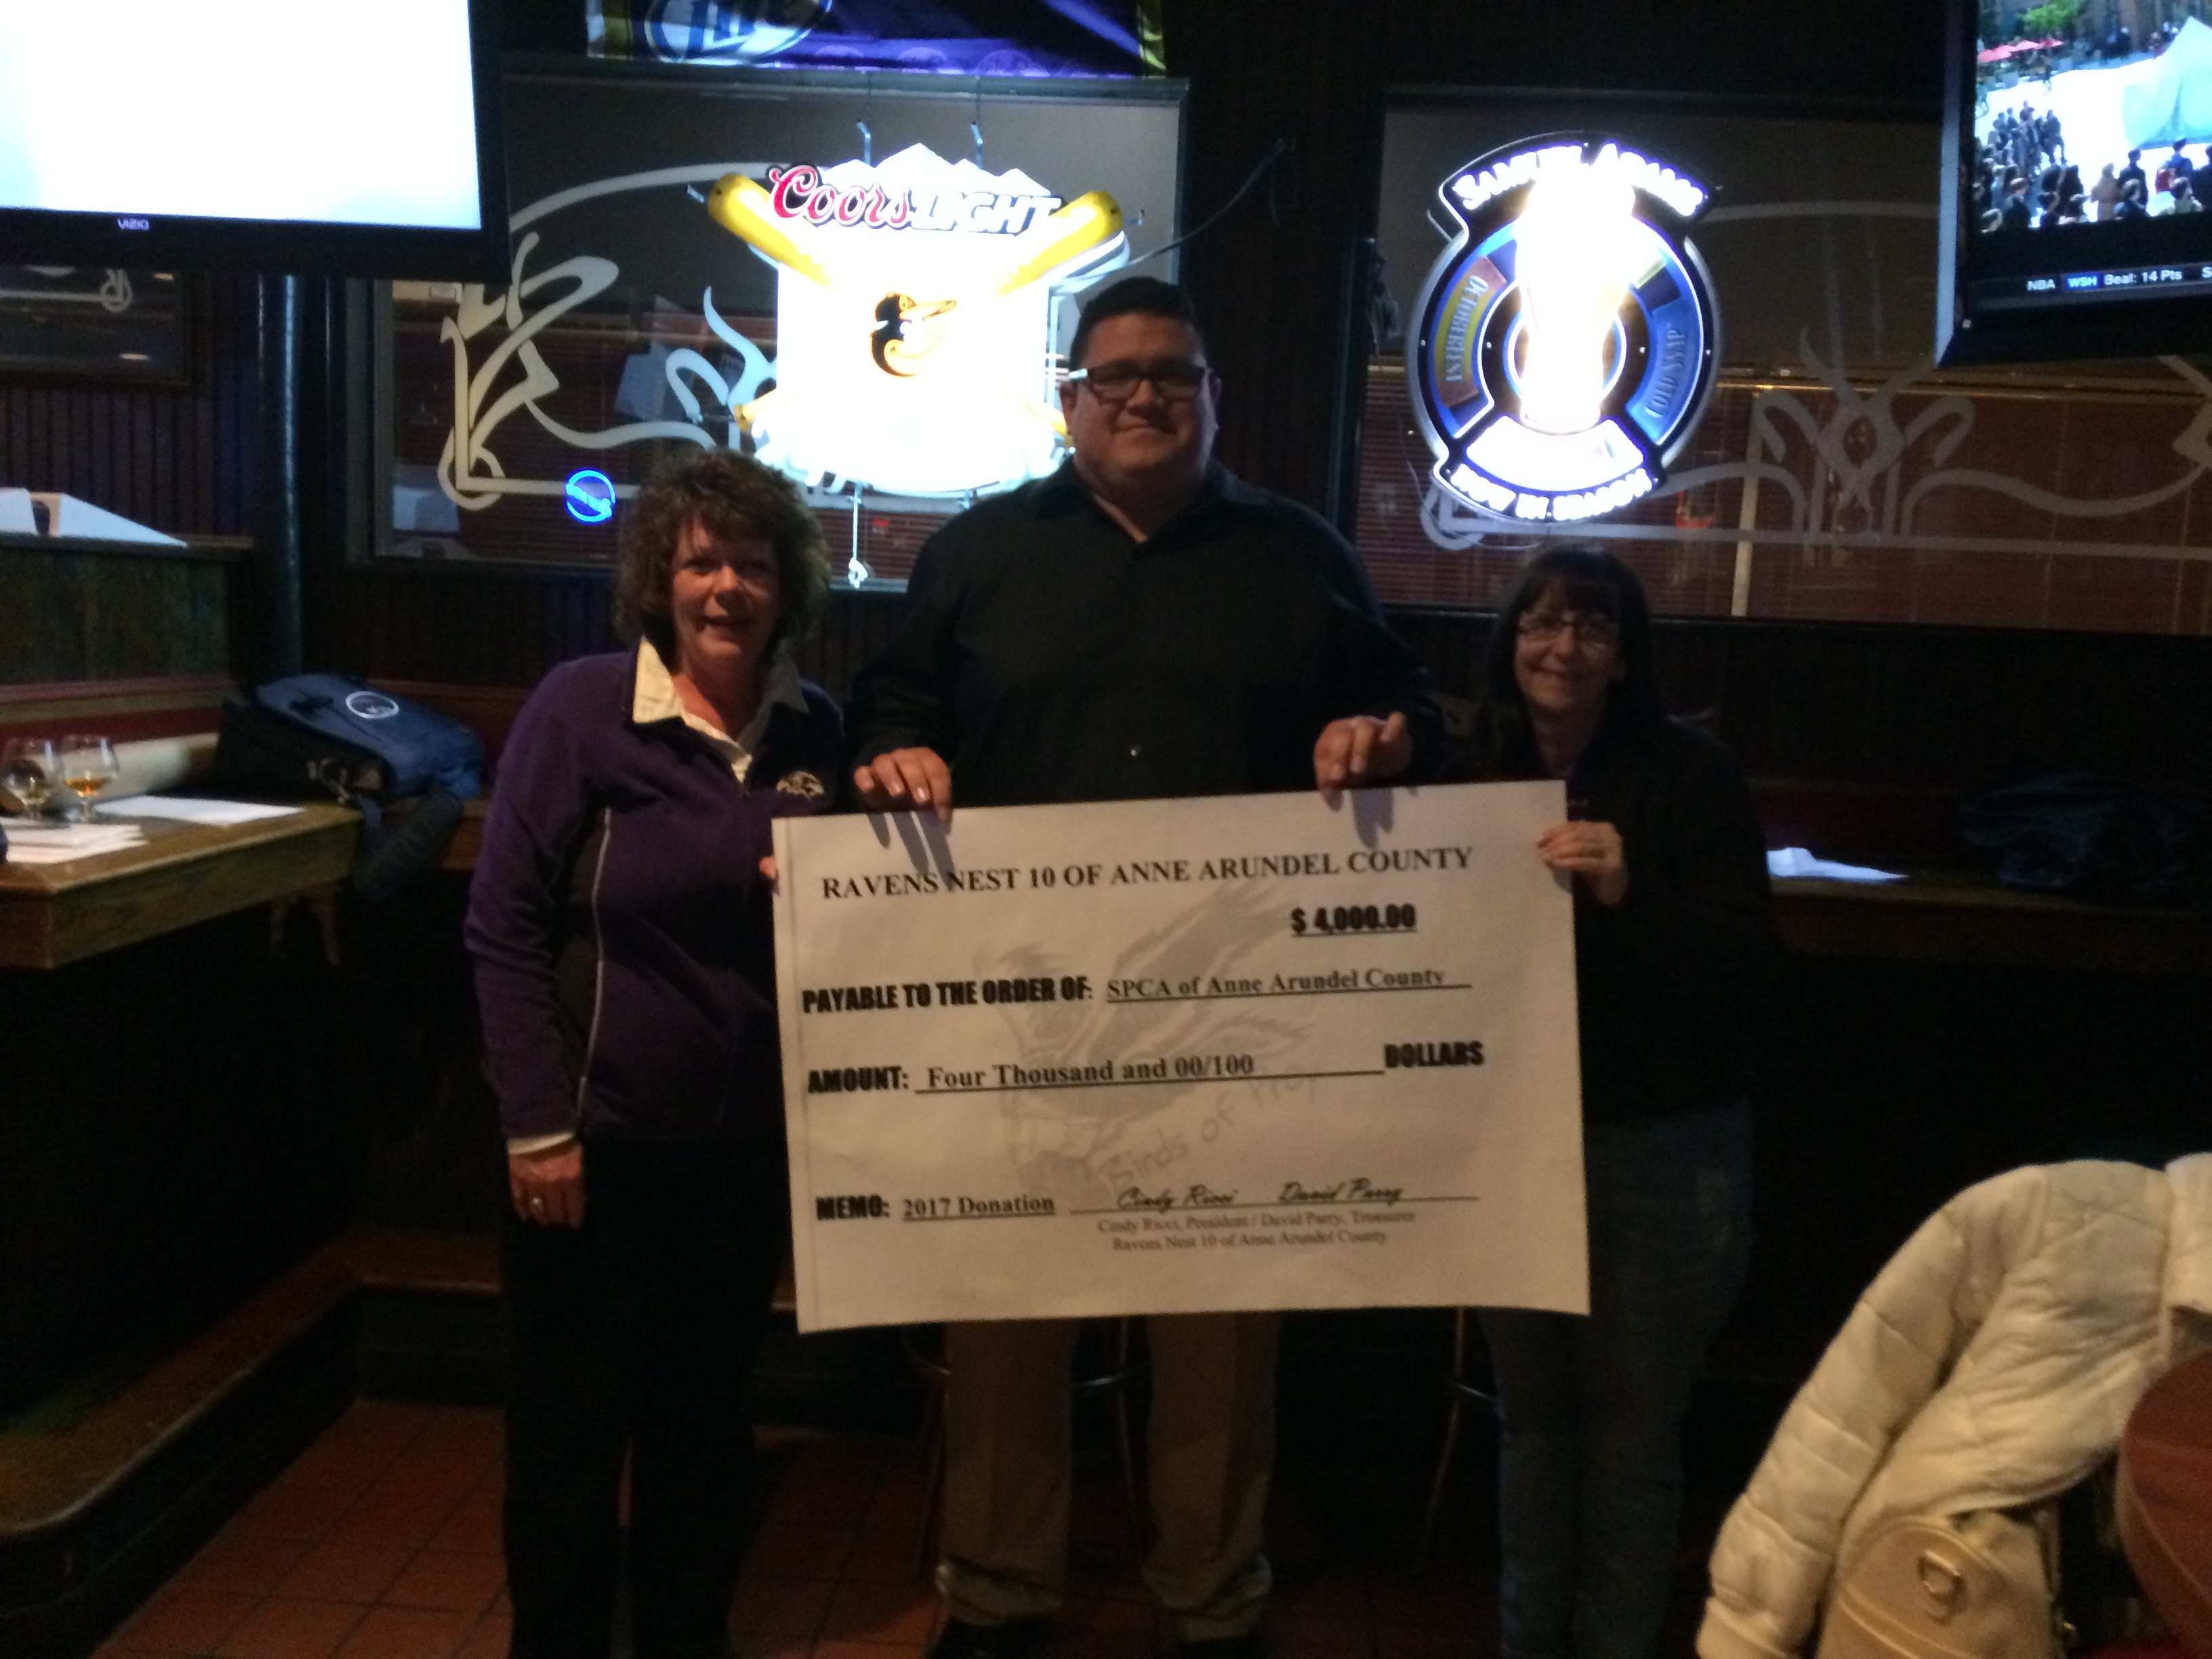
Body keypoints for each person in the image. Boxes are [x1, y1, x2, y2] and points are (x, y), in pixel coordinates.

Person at [844, 274, 1441, 1659]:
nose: (1145, 396)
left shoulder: (1298, 555)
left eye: (1173, 373)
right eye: (1115, 375)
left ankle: (1212, 1599)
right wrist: (896, 749)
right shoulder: (979, 552)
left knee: (1220, 1329)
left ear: (1213, 397)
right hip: (1019, 1018)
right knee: (1006, 1313)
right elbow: (892, 698)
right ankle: (998, 1596)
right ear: (1071, 399)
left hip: (1233, 1021)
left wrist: (1387, 739)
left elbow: (1408, 701)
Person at [466, 449, 841, 1659]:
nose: (727, 587)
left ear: (788, 587)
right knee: (570, 1437)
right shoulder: (583, 706)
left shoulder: (818, 730)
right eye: (701, 562)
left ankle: (686, 1638)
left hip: (741, 1157)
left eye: (753, 564)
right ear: (658, 581)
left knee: (703, 1429)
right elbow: (503, 925)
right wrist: (537, 1127)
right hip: (592, 1155)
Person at [1452, 547, 1777, 1659]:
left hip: (1662, 1146)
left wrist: (1628, 893)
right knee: (1534, 1426)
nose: (1564, 648)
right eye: (1542, 623)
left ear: (1626, 657)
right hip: (1511, 1144)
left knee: (1634, 1438)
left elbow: (1746, 967)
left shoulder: (1692, 774)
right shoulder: (1466, 773)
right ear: (1510, 642)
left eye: (1593, 628)